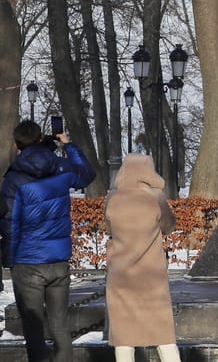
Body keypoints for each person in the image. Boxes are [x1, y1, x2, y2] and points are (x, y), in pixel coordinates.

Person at [0, 120, 96, 362]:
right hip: (57, 259)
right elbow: (86, 175)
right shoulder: (60, 168)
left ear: (17, 143)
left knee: (34, 329)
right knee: (60, 325)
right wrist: (68, 145)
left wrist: (10, 259)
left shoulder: (13, 179)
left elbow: (10, 223)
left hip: (28, 261)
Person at [105, 155, 180, 362]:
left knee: (123, 336)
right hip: (151, 275)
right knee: (163, 333)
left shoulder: (112, 198)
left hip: (120, 276)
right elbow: (168, 226)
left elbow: (109, 229)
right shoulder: (156, 197)